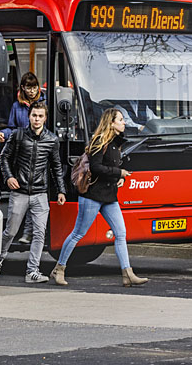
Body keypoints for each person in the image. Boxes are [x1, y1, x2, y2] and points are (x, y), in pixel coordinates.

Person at [50, 108, 149, 288]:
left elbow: (108, 167)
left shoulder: (116, 143)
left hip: (109, 196)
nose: (124, 122)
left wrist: (118, 178)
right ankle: (59, 268)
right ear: (111, 123)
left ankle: (128, 274)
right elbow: (96, 168)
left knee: (121, 233)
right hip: (92, 196)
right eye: (120, 119)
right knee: (78, 234)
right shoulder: (98, 142)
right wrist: (119, 172)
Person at [0, 101, 66, 284]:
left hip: (41, 194)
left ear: (45, 118)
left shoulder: (52, 140)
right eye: (34, 115)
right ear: (29, 116)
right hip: (20, 192)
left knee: (39, 233)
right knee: (11, 231)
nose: (37, 119)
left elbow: (56, 167)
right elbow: (4, 157)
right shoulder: (18, 135)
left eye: (40, 116)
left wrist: (61, 190)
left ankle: (32, 271)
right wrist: (9, 177)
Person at [0, 72, 43, 245]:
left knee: (35, 194)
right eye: (28, 87)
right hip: (22, 154)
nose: (32, 91)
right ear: (22, 88)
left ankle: (28, 232)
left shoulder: (44, 102)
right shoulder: (17, 106)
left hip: (39, 152)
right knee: (21, 193)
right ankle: (13, 231)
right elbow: (12, 128)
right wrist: (4, 133)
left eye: (34, 87)